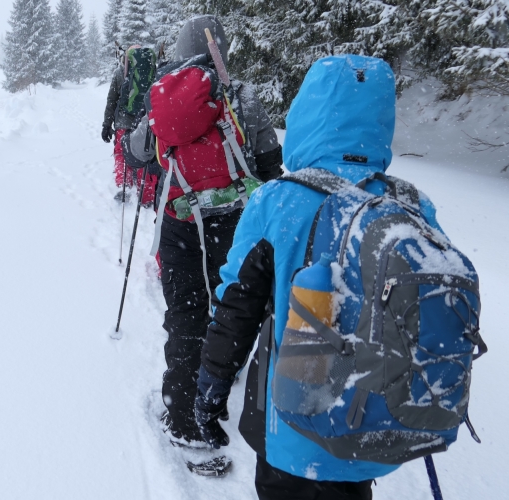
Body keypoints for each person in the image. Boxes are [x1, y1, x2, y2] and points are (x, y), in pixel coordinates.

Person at [193, 55, 449, 498]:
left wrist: (212, 385)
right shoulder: (411, 204)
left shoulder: (277, 201)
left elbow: (237, 307)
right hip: (371, 421)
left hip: (287, 424)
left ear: (307, 114)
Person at [123, 15, 283, 448]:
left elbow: (137, 154)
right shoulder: (240, 96)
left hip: (179, 222)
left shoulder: (165, 98)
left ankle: (182, 416)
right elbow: (270, 165)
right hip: (234, 224)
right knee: (228, 304)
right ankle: (218, 384)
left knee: (185, 315)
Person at [102, 50, 157, 206]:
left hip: (123, 121)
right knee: (143, 154)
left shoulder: (120, 72)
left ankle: (124, 186)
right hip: (145, 119)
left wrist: (107, 123)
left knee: (121, 152)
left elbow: (112, 100)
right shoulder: (152, 69)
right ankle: (145, 194)